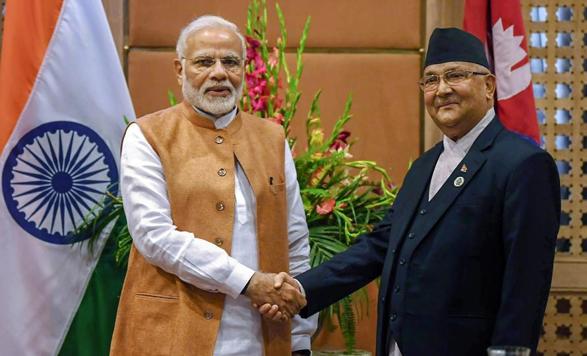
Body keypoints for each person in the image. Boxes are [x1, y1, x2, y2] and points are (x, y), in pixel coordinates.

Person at [261, 27, 560, 355]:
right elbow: (380, 246)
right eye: (430, 80)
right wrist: (304, 288)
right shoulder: (425, 166)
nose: (441, 89)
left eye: (455, 75)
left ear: (488, 86)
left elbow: (526, 284)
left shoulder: (523, 163)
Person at [110, 15, 316, 356]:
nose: (219, 72)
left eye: (231, 62)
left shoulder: (272, 138)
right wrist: (249, 283)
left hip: (262, 336)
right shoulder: (147, 135)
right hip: (172, 334)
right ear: (179, 69)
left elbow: (294, 239)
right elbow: (154, 235)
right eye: (205, 61)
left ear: (244, 70)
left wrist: (300, 335)